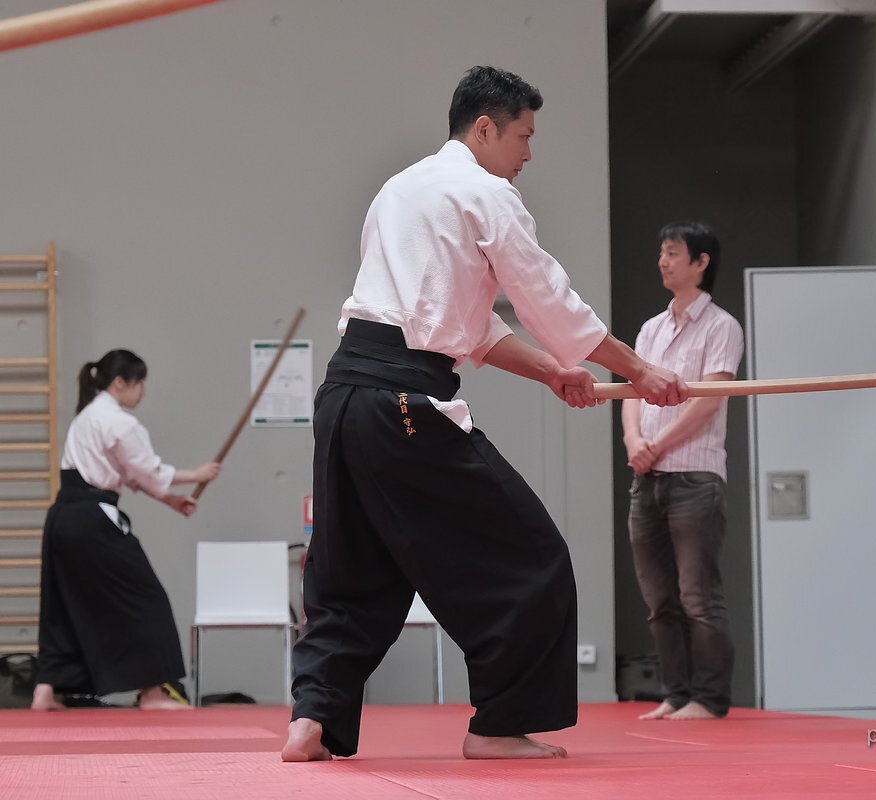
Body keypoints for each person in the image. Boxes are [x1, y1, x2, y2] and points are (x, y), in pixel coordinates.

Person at [282, 65, 688, 763]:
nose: (528, 154)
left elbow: (458, 325)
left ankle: (310, 720)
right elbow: (551, 303)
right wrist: (640, 369)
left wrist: (554, 372)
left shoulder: (398, 190)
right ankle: (499, 724)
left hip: (345, 396)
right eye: (524, 136)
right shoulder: (486, 193)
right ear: (484, 128)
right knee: (533, 558)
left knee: (355, 571)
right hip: (405, 403)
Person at [30, 349, 221, 711]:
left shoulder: (87, 416)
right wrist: (196, 475)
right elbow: (147, 471)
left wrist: (171, 501)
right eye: (139, 384)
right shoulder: (119, 422)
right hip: (91, 520)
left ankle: (46, 689)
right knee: (146, 598)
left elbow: (130, 475)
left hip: (63, 517)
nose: (143, 392)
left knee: (63, 601)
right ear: (120, 383)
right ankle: (152, 692)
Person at [621, 221, 744, 721]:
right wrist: (634, 441)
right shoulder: (651, 328)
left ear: (700, 263)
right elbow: (631, 391)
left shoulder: (722, 327)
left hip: (694, 477)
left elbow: (708, 402)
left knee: (698, 596)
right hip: (646, 476)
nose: (662, 261)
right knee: (659, 600)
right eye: (661, 253)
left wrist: (657, 445)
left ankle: (710, 699)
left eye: (673, 253)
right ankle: (675, 693)